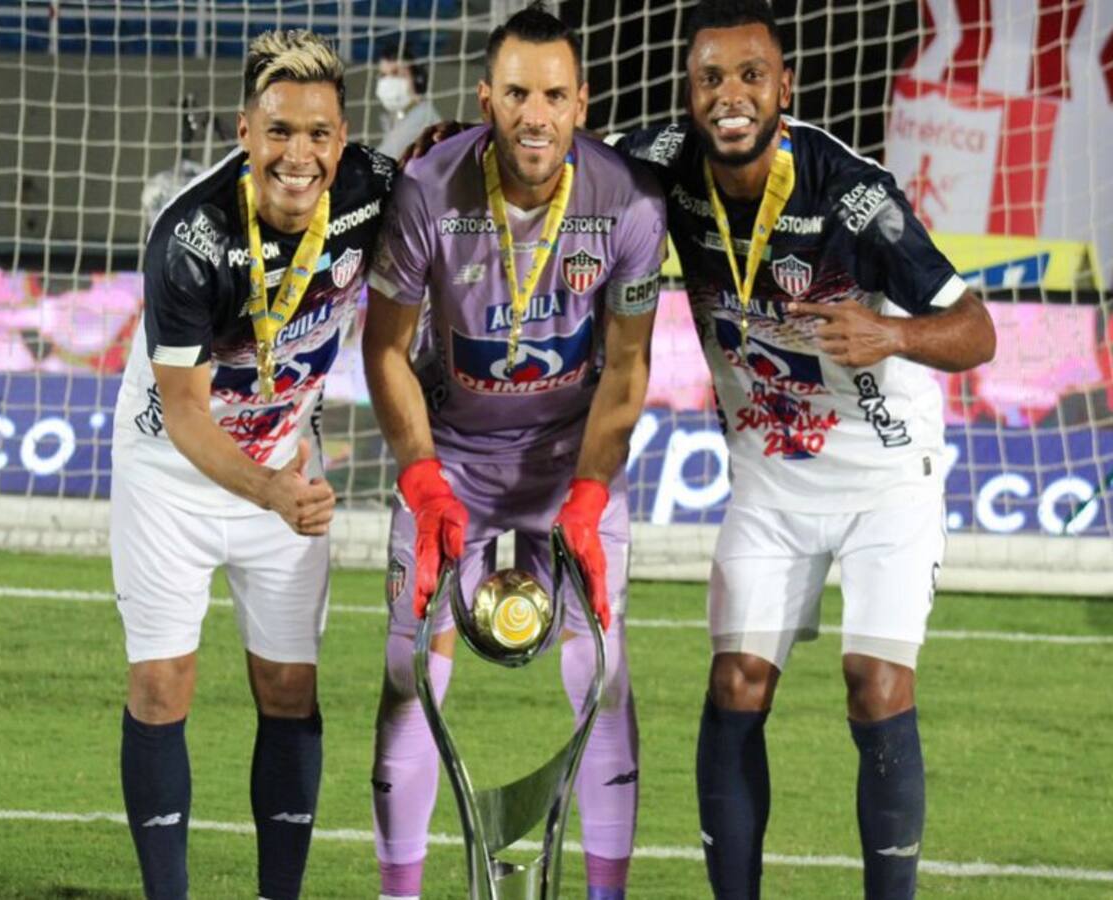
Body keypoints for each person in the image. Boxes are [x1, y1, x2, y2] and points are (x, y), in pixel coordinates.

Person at [612, 1, 997, 897]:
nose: (730, 96)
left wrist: (892, 338)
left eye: (751, 77)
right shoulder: (659, 164)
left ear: (785, 87)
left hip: (887, 478)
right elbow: (553, 152)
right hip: (771, 484)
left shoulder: (852, 193)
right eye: (711, 79)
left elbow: (976, 330)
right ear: (690, 92)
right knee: (738, 681)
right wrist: (461, 148)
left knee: (875, 683)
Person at [362, 5, 666, 900]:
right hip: (450, 458)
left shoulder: (629, 203)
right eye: (519, 94)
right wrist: (422, 483)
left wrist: (590, 494)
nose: (536, 115)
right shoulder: (427, 190)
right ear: (487, 97)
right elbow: (384, 349)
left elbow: (629, 361)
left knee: (605, 672)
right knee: (408, 671)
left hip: (567, 465)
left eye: (555, 95)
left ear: (582, 102)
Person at [110, 28, 394, 900]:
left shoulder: (375, 191)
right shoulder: (191, 238)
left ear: (341, 139)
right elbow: (190, 414)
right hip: (171, 472)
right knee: (162, 684)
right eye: (279, 131)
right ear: (245, 132)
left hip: (283, 466)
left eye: (317, 134)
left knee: (287, 686)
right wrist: (273, 489)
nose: (298, 155)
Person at [374, 44, 442, 160]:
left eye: (395, 73)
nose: (388, 81)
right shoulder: (401, 117)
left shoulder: (422, 119)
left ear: (417, 79)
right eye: (383, 75)